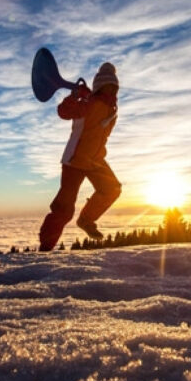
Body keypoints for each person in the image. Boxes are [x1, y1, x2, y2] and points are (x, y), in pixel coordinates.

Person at [39, 62, 122, 251]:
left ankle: (86, 220)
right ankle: (46, 247)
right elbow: (63, 112)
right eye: (108, 87)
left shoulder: (113, 110)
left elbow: (101, 135)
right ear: (100, 86)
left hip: (95, 160)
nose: (111, 91)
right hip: (75, 161)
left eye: (114, 88)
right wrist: (75, 96)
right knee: (63, 209)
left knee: (112, 189)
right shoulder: (87, 103)